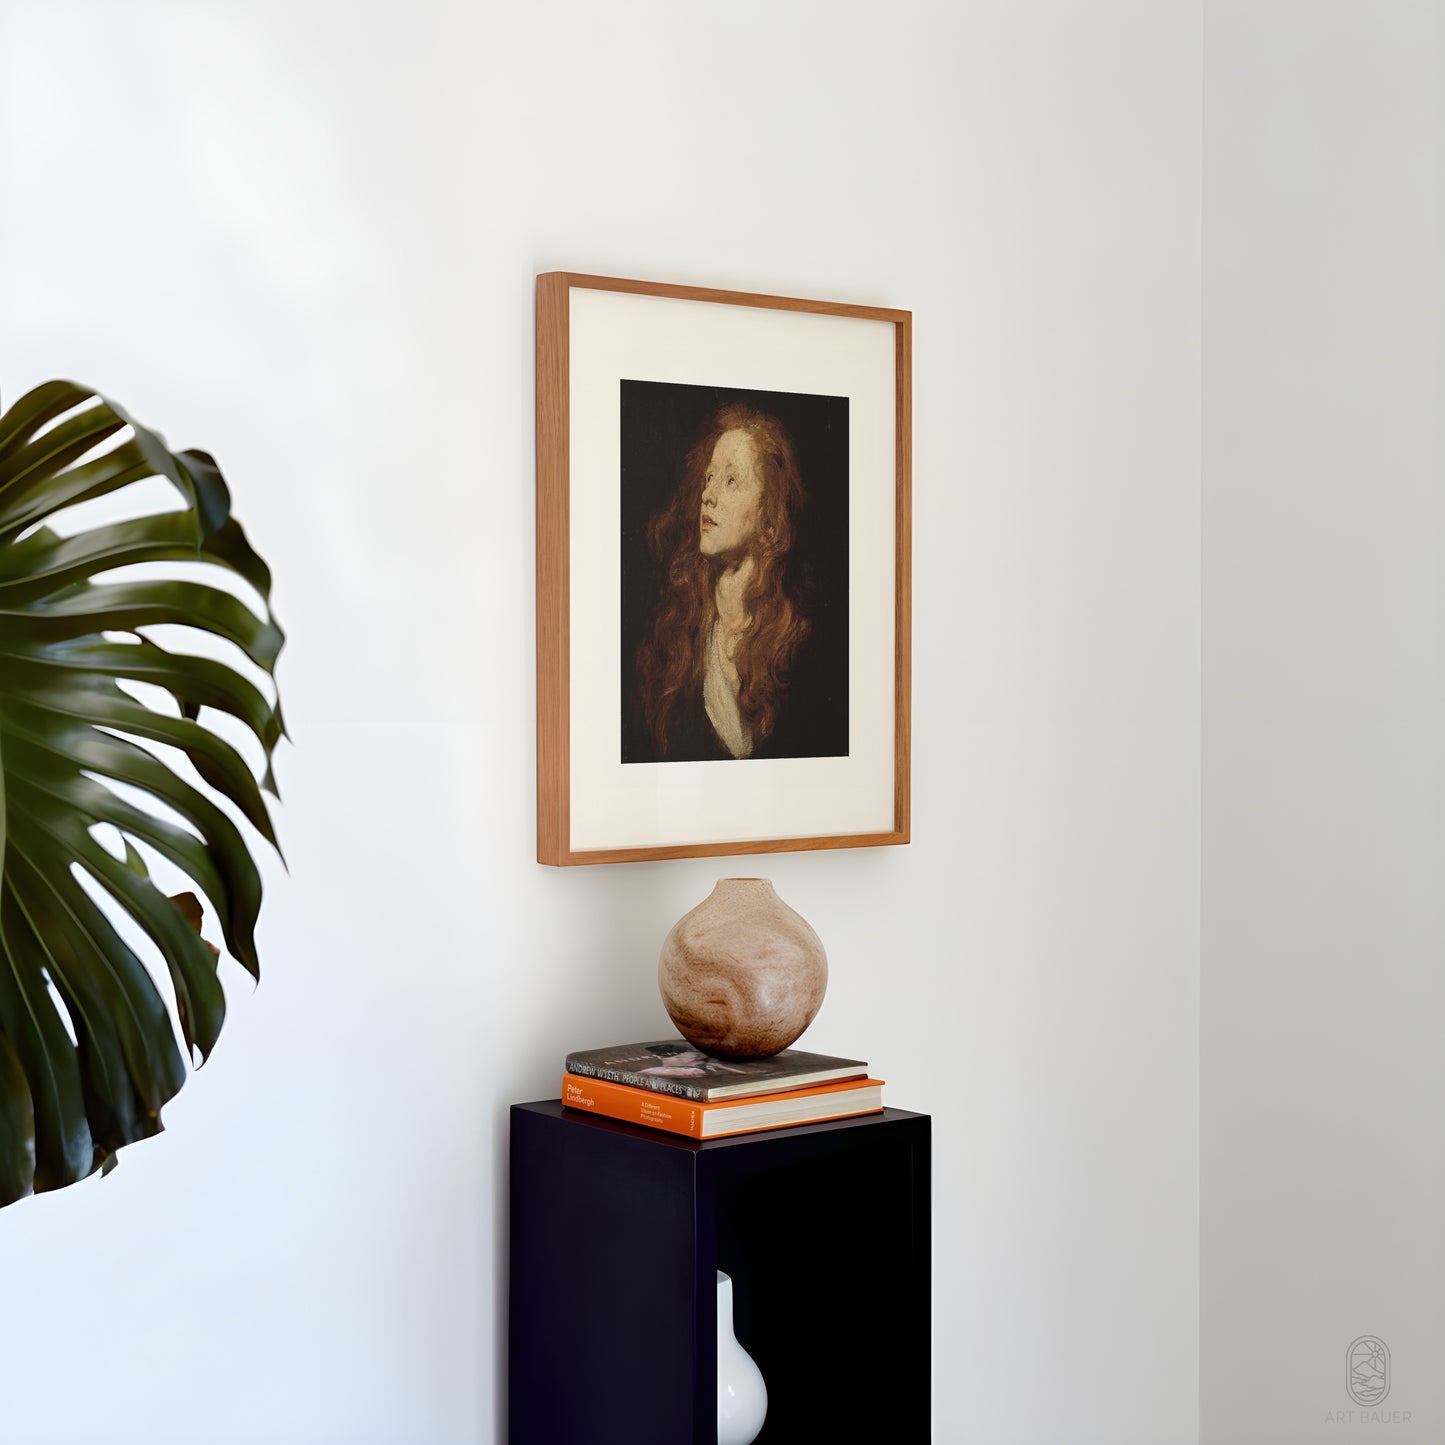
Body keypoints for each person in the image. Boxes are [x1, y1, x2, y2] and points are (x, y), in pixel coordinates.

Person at [631, 402, 844, 762]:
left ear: (769, 517)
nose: (707, 495)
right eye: (709, 478)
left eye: (731, 481)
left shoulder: (803, 644)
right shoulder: (680, 636)